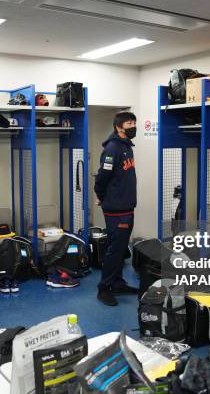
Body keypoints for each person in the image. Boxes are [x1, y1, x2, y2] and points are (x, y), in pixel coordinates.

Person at [94, 111, 140, 306]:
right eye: (130, 123)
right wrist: (101, 196)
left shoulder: (127, 147)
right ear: (119, 127)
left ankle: (118, 283)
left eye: (134, 122)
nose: (133, 126)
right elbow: (102, 177)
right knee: (115, 249)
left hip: (127, 206)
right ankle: (104, 288)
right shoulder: (113, 148)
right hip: (116, 209)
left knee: (121, 248)